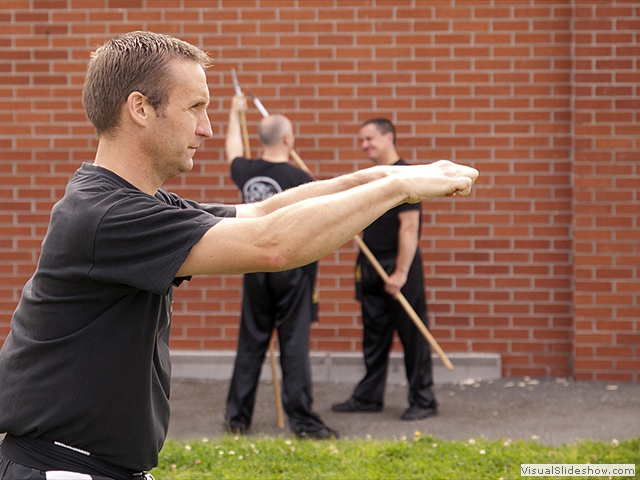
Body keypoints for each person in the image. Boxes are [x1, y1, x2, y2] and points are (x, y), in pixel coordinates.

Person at [0, 31, 478, 479]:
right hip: (62, 467)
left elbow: (262, 211)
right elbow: (273, 244)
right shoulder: (106, 215)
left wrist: (379, 177)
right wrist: (399, 186)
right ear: (141, 109)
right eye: (195, 108)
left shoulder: (132, 202)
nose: (207, 128)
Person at [223, 95, 337, 439]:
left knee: (250, 342)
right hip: (291, 266)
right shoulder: (300, 177)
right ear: (288, 140)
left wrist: (233, 111)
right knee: (294, 344)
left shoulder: (247, 171)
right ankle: (302, 421)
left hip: (254, 264)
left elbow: (232, 150)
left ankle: (237, 420)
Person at [332, 118, 438, 421]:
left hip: (399, 265)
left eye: (369, 139)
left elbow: (409, 227)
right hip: (371, 264)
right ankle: (368, 397)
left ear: (389, 137)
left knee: (413, 336)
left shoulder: (404, 176)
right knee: (374, 334)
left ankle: (423, 399)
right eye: (361, 140)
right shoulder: (372, 177)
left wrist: (401, 273)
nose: (364, 145)